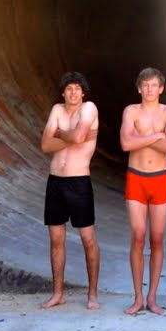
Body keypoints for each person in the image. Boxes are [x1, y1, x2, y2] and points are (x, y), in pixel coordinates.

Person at [38, 71, 100, 310]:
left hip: (79, 181)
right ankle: (58, 294)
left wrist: (60, 133)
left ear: (83, 93)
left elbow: (80, 135)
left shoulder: (89, 108)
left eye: (77, 88)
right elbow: (46, 145)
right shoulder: (57, 110)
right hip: (56, 181)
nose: (73, 92)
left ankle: (92, 295)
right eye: (69, 89)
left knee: (87, 238)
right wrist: (71, 137)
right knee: (56, 239)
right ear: (63, 92)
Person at [120, 67, 166, 315]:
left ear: (161, 88)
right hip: (136, 177)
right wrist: (157, 136)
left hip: (160, 178)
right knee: (138, 235)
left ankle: (152, 298)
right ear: (139, 88)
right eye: (146, 85)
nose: (150, 89)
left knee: (157, 238)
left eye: (154, 85)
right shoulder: (131, 111)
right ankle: (137, 297)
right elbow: (126, 144)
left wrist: (141, 138)